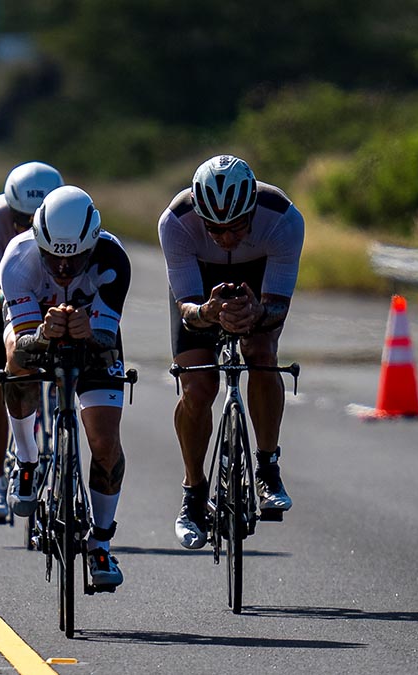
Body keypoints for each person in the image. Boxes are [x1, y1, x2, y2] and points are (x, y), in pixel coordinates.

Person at [158, 154, 304, 550]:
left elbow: (278, 308)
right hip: (200, 285)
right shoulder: (175, 223)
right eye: (214, 229)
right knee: (197, 388)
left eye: (236, 227)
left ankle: (268, 466)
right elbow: (186, 310)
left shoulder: (283, 219)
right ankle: (193, 493)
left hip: (257, 277)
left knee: (261, 353)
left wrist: (258, 313)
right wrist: (207, 312)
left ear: (253, 211)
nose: (225, 238)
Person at [1, 186, 131, 588]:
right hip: (37, 332)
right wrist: (43, 334)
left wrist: (89, 331)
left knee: (105, 445)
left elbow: (106, 341)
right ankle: (26, 458)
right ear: (38, 242)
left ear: (91, 245)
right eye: (52, 257)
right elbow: (22, 344)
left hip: (93, 341)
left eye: (73, 258)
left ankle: (102, 542)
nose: (62, 267)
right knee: (14, 361)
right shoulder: (18, 259)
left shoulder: (114, 259)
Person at [0, 161, 63, 521]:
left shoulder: (67, 216)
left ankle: (62, 451)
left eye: (34, 219)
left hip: (56, 290)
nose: (25, 227)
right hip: (6, 295)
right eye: (19, 218)